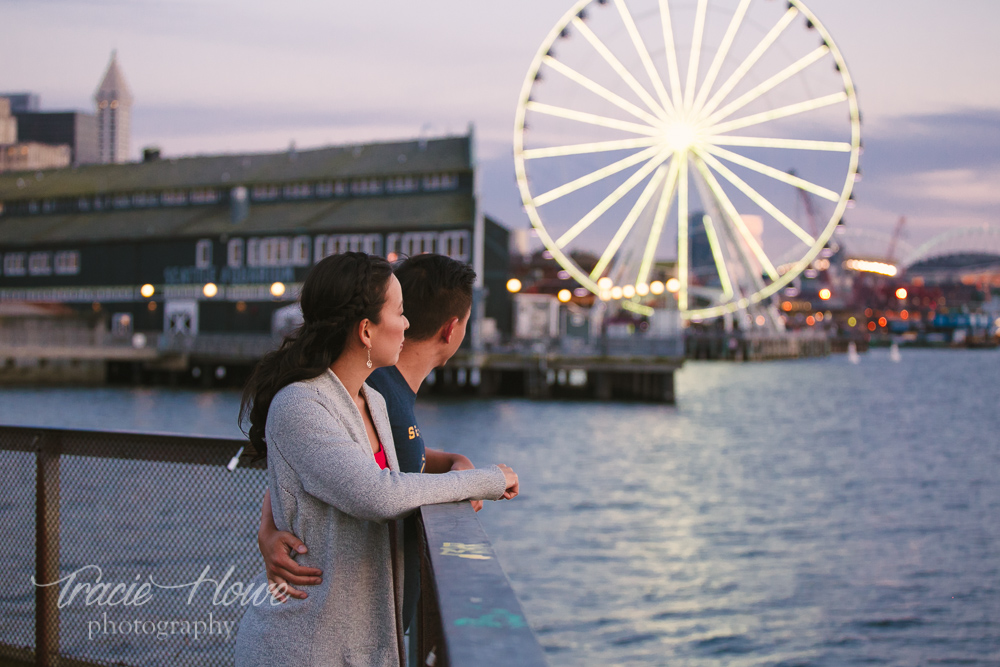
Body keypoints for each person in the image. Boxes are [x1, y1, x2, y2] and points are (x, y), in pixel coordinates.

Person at [233, 252, 518, 667]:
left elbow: (350, 474)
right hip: (303, 646)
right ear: (366, 330)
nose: (407, 324)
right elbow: (375, 492)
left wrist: (460, 464)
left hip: (362, 643)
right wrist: (487, 480)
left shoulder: (374, 400)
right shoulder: (301, 403)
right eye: (400, 313)